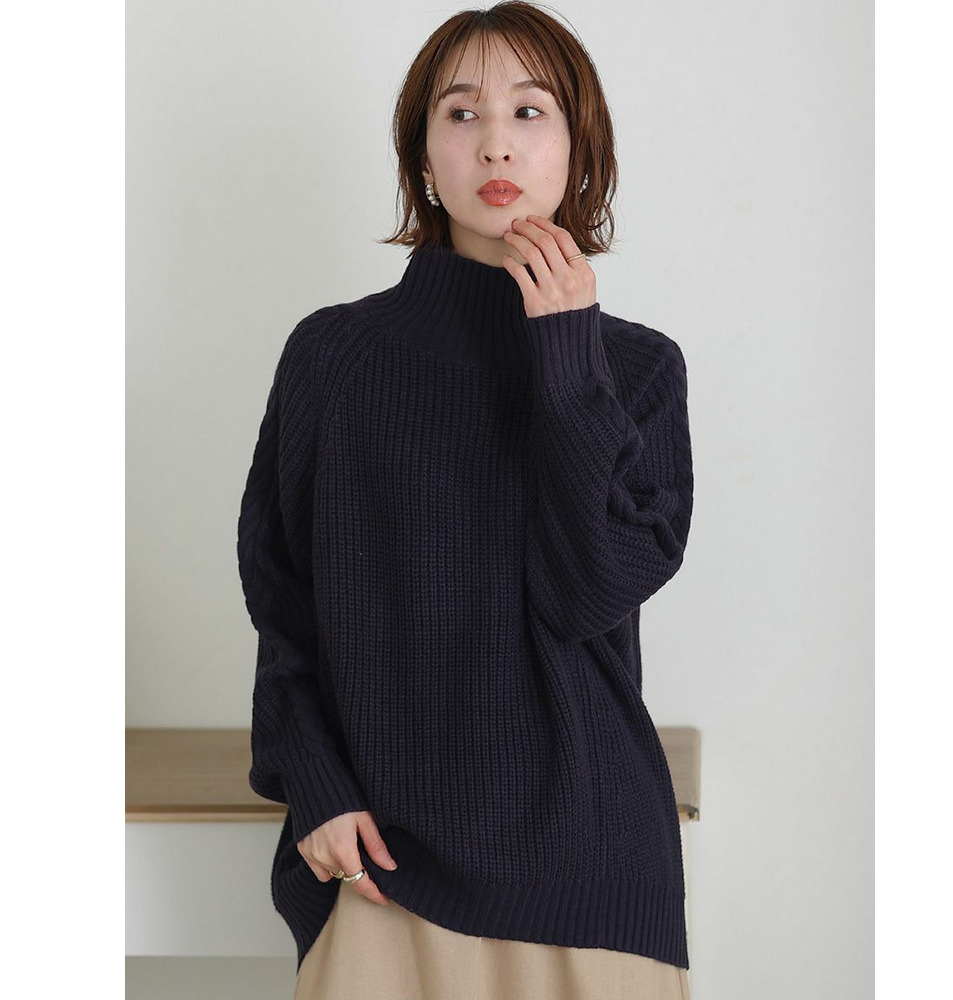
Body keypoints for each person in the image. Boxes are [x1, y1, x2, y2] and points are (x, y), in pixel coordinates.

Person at [236, 3, 695, 997]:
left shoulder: (636, 370)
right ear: (422, 156)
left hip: (587, 866)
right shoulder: (335, 357)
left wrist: (565, 357)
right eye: (460, 113)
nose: (495, 142)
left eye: (529, 111)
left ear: (578, 150)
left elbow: (588, 592)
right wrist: (312, 781)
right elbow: (283, 602)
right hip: (378, 867)